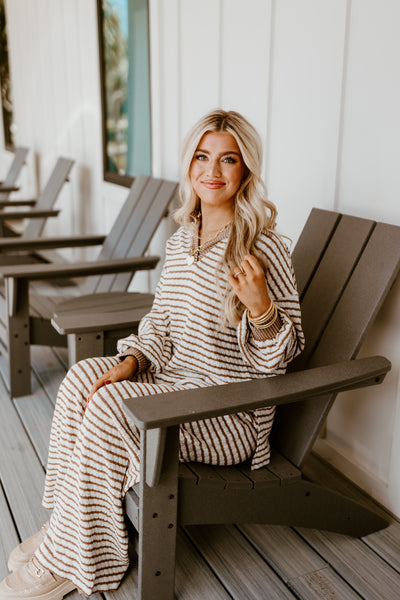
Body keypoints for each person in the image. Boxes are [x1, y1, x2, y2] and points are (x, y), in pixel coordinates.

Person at [0, 109, 304, 599]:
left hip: (226, 413)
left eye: (229, 159)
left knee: (109, 409)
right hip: (174, 385)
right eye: (203, 156)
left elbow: (279, 363)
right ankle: (67, 529)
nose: (213, 170)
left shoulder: (263, 249)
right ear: (189, 165)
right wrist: (132, 362)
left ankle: (72, 562)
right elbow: (159, 325)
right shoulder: (183, 239)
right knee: (83, 379)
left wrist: (263, 309)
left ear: (246, 169)